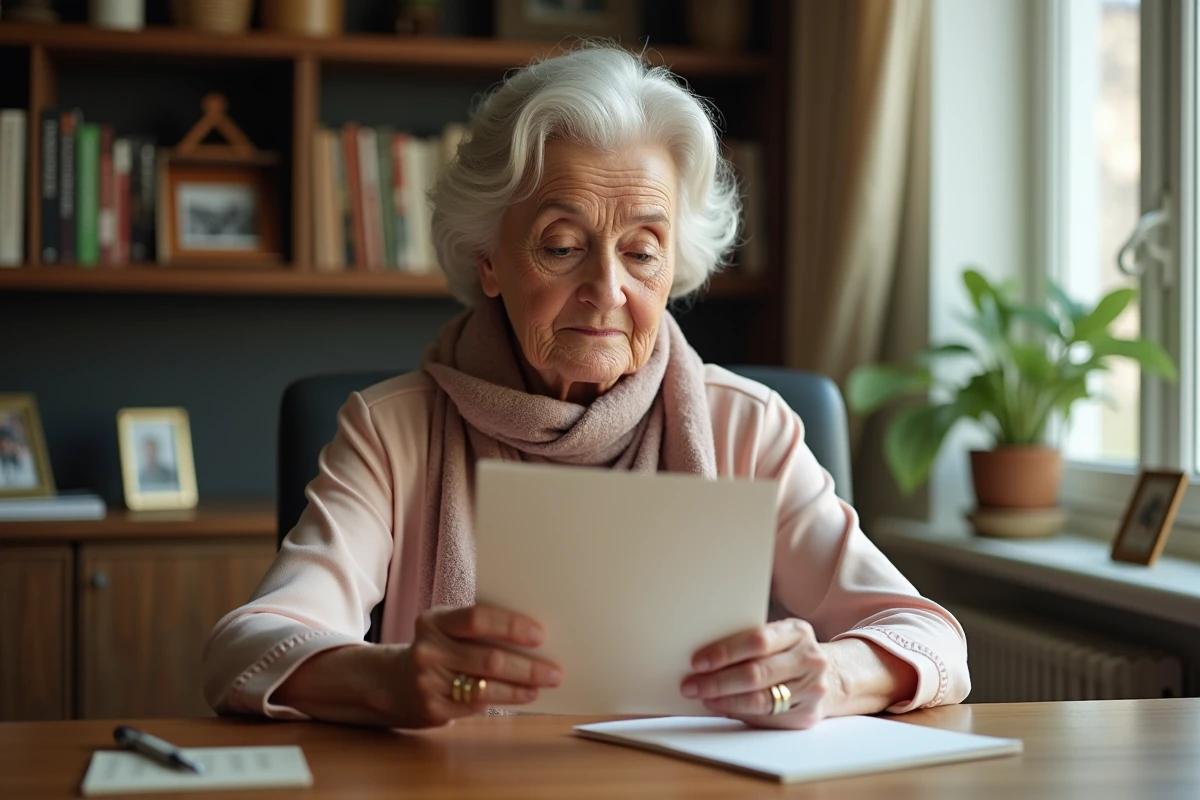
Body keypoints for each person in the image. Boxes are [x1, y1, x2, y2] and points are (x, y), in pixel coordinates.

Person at [202, 44, 970, 731]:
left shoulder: (747, 427)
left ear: (675, 266)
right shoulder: (391, 431)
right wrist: (392, 678)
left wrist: (830, 676)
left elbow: (930, 638)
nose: (606, 290)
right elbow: (246, 647)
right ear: (488, 259)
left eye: (642, 251)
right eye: (563, 246)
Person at [0, 422, 38, 489]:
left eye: (7, 442)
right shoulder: (2, 461)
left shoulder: (25, 459)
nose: (5, 446)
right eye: (2, 443)